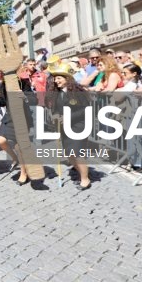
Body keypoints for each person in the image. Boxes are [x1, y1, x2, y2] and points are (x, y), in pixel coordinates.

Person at [44, 61, 93, 190]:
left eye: (59, 78)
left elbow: (86, 110)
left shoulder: (78, 91)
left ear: (67, 78)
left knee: (77, 154)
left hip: (79, 126)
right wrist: (54, 116)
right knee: (70, 155)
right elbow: (55, 110)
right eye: (55, 78)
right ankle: (83, 172)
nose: (56, 81)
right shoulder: (57, 93)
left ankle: (85, 179)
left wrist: (68, 117)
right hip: (65, 128)